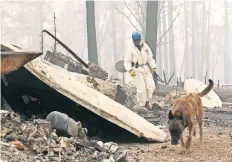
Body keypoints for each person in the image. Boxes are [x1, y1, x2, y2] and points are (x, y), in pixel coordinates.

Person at [124, 31, 156, 111]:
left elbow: (150, 58)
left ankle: (147, 102)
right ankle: (142, 105)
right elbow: (127, 61)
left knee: (150, 86)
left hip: (145, 68)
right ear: (133, 40)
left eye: (138, 40)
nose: (137, 42)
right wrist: (130, 70)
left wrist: (154, 68)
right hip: (136, 70)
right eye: (135, 41)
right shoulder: (130, 48)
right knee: (141, 89)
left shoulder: (145, 47)